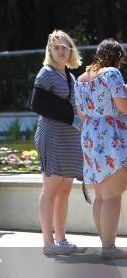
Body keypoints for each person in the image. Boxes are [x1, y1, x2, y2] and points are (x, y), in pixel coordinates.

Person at [30, 30, 84, 256]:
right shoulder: (46, 74)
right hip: (52, 136)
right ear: (50, 51)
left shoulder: (69, 76)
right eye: (57, 48)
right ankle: (48, 242)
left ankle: (61, 239)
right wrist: (71, 118)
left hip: (69, 137)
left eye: (65, 47)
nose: (62, 51)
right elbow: (38, 103)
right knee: (50, 190)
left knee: (64, 190)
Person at [75, 39, 127, 259]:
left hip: (90, 135)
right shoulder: (112, 74)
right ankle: (109, 248)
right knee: (113, 195)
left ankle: (105, 244)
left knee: (102, 196)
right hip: (111, 134)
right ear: (117, 57)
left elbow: (80, 114)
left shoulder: (80, 79)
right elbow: (122, 106)